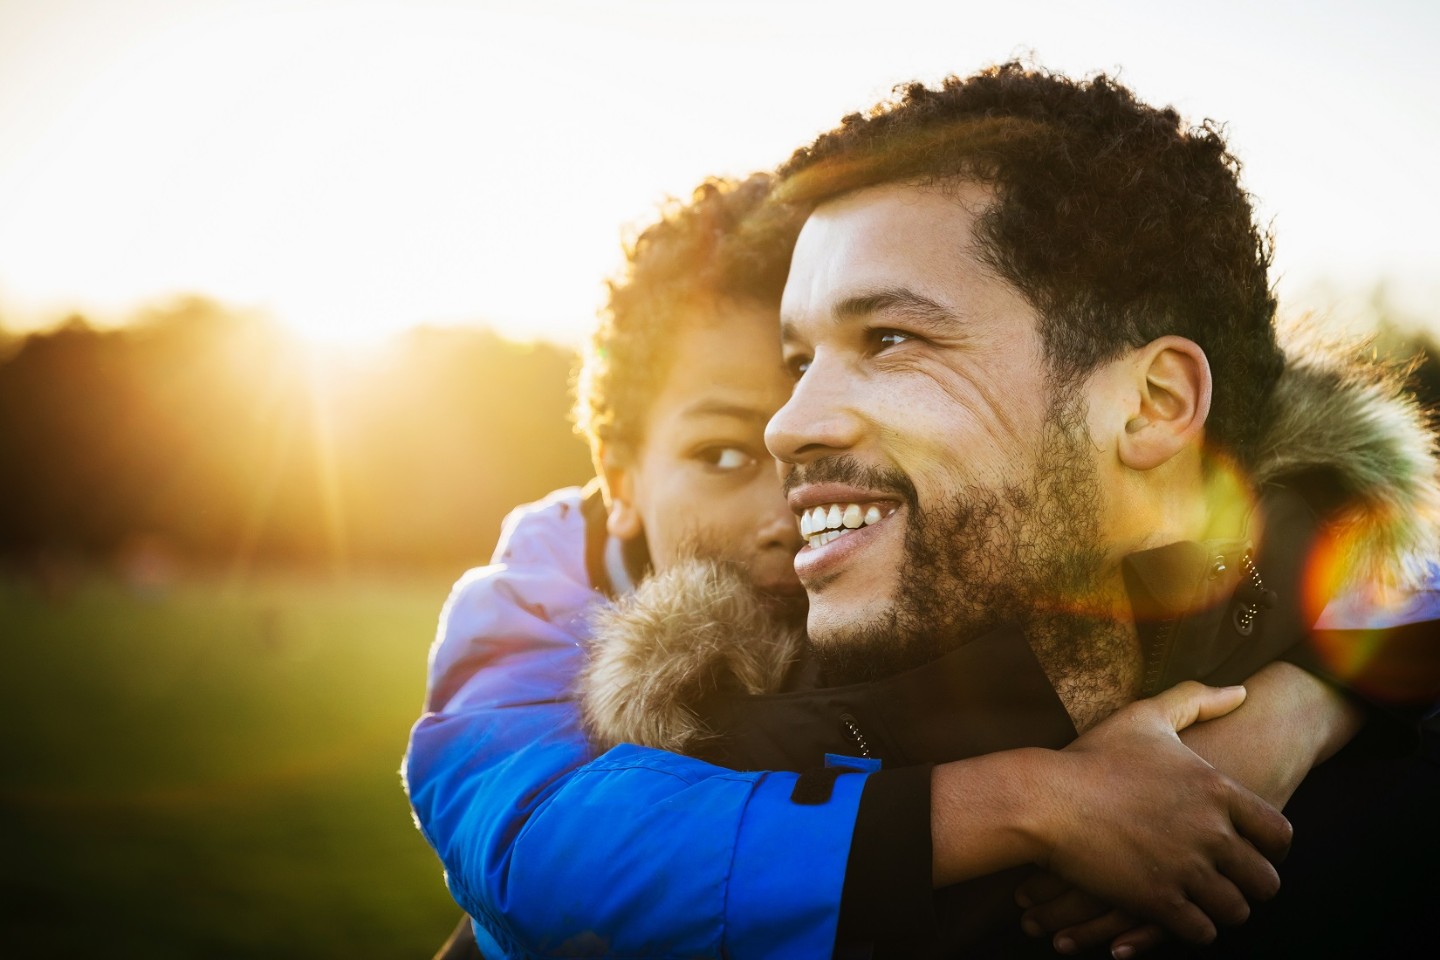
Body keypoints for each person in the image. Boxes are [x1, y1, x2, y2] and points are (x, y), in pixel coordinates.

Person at [578, 63, 1440, 957]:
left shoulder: (1395, 771)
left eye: (890, 338)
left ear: (1151, 405)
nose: (787, 428)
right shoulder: (701, 816)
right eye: (800, 361)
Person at [405, 163, 1365, 958]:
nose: (789, 497)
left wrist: (1300, 705)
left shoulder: (933, 590)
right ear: (618, 475)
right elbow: (545, 852)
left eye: (878, 354)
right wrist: (1036, 798)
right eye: (722, 456)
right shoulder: (530, 609)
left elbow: (1380, 532)